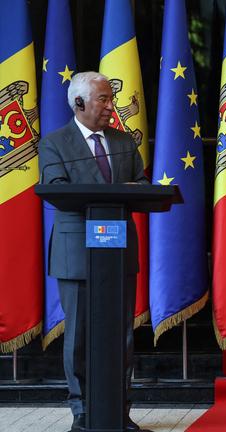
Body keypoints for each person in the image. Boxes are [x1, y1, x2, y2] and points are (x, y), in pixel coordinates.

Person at [37, 71, 149, 432]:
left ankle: (119, 409)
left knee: (122, 336)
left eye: (110, 98)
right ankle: (82, 411)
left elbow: (142, 186)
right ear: (80, 103)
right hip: (76, 252)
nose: (110, 106)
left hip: (117, 251)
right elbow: (55, 189)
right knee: (80, 334)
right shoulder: (55, 143)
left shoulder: (123, 141)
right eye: (103, 99)